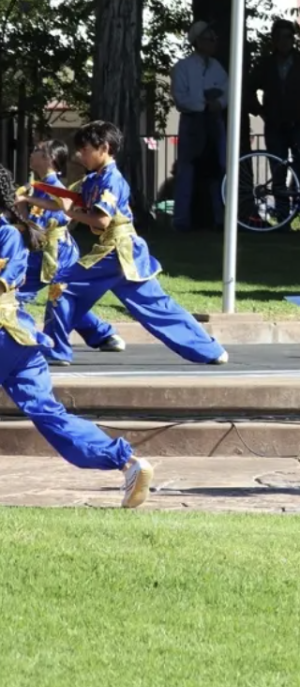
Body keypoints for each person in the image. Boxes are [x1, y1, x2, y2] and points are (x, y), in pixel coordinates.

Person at [0, 164, 154, 507]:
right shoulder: (12, 232)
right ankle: (127, 463)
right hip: (22, 340)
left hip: (3, 336)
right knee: (50, 414)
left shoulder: (7, 234)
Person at [41, 121, 229, 367]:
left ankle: (56, 349)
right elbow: (63, 200)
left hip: (115, 252)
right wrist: (25, 197)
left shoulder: (111, 180)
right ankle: (211, 350)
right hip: (126, 254)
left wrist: (71, 213)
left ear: (104, 148)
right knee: (157, 306)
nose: (79, 155)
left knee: (61, 287)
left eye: (84, 149)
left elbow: (102, 219)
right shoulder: (94, 179)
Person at [14, 141, 125, 362]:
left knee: (20, 293)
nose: (31, 153)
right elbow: (30, 223)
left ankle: (34, 340)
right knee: (61, 297)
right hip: (40, 252)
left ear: (49, 158)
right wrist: (22, 207)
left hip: (57, 252)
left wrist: (26, 205)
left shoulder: (55, 189)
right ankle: (103, 334)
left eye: (36, 150)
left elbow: (54, 218)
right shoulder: (33, 188)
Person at [246, 19, 300, 232]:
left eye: (288, 37)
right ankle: (282, 220)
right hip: (275, 124)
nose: (284, 41)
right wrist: (259, 110)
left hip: (299, 123)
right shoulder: (266, 65)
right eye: (280, 37)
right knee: (277, 171)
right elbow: (248, 87)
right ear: (274, 40)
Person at [170, 20, 228, 232]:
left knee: (218, 169)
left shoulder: (217, 68)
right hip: (192, 123)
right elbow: (181, 98)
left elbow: (227, 90)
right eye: (210, 39)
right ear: (198, 42)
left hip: (214, 122)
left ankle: (220, 219)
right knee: (187, 170)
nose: (214, 43)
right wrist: (203, 105)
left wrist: (218, 104)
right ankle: (181, 220)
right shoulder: (182, 68)